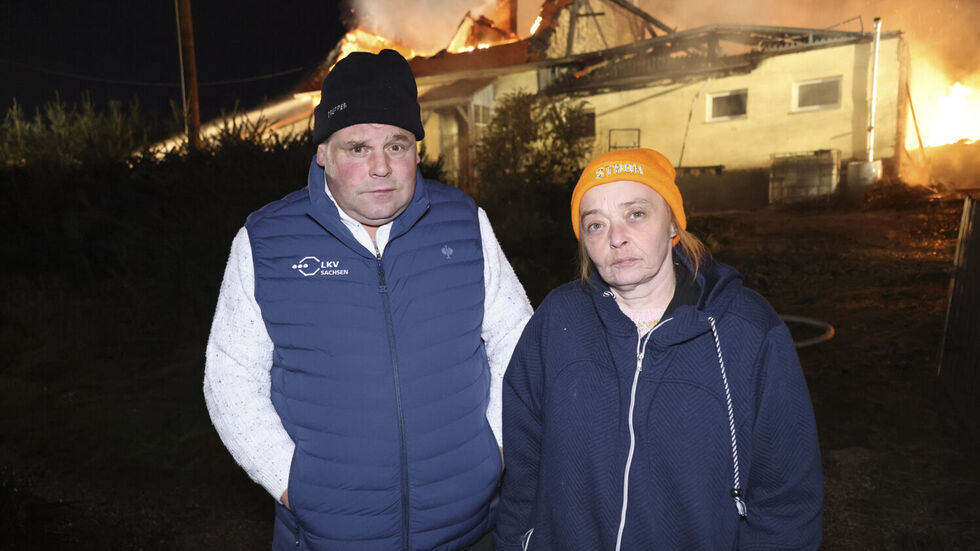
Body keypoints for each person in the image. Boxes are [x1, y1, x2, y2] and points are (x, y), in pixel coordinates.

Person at [204, 49, 532, 551]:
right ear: (323, 153)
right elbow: (230, 376)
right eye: (358, 148)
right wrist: (290, 482)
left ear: (416, 151)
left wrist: (497, 449)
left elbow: (516, 338)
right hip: (326, 538)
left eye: (396, 145)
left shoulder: (464, 223)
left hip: (468, 534)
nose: (381, 167)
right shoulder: (267, 242)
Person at [495, 148, 823, 550]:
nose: (616, 238)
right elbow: (523, 472)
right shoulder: (557, 321)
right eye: (596, 224)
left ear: (672, 223)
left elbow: (786, 502)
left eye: (636, 214)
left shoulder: (748, 331)